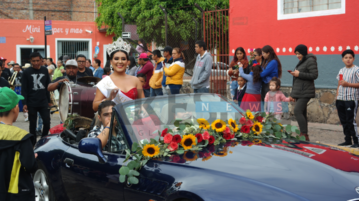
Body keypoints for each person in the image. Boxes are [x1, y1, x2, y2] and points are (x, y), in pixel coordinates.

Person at [0, 87, 38, 201]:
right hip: (15, 194)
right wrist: (33, 158)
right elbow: (30, 166)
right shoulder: (22, 137)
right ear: (15, 109)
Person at [93, 37, 145, 112]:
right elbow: (94, 106)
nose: (120, 62)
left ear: (127, 61)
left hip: (132, 121)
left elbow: (142, 102)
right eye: (116, 59)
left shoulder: (135, 80)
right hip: (113, 120)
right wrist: (108, 99)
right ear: (111, 61)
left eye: (123, 59)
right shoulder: (105, 82)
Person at [289, 44, 318, 141]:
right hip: (300, 91)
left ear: (304, 52)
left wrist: (299, 74)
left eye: (299, 53)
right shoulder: (303, 61)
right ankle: (305, 136)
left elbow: (314, 75)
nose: (298, 55)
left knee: (297, 111)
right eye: (296, 54)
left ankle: (304, 134)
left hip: (306, 91)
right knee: (302, 112)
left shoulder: (310, 60)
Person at [21, 52, 51, 144]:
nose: (36, 62)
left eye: (38, 60)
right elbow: (24, 89)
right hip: (31, 102)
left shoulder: (45, 70)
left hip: (43, 102)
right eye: (33, 61)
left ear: (41, 60)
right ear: (31, 61)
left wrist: (49, 100)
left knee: (47, 123)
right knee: (32, 125)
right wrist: (24, 103)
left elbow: (48, 86)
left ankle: (43, 140)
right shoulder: (26, 72)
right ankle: (32, 143)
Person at [336, 50, 359, 148]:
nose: (348, 59)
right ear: (342, 59)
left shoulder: (357, 70)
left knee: (351, 121)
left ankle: (356, 141)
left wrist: (348, 84)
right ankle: (347, 140)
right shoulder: (341, 70)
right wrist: (337, 97)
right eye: (346, 58)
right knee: (344, 121)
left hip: (351, 99)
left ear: (353, 58)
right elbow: (339, 85)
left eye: (350, 57)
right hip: (340, 99)